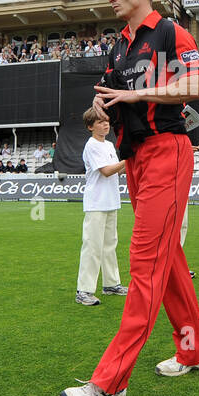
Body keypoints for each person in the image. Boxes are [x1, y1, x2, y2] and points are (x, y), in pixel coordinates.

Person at [60, 0, 199, 396]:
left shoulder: (170, 31)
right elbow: (119, 98)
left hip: (168, 151)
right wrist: (107, 101)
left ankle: (109, 385)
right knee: (168, 263)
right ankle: (196, 348)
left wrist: (135, 96)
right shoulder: (119, 45)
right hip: (137, 158)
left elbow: (198, 86)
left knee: (145, 263)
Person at [76, 107, 128, 306]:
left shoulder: (108, 145)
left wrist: (131, 160)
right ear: (90, 126)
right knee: (92, 246)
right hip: (96, 202)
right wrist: (129, 159)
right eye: (100, 122)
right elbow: (107, 171)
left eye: (107, 121)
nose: (105, 124)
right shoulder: (92, 145)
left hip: (111, 201)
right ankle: (84, 290)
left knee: (109, 245)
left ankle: (111, 284)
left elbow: (118, 171)